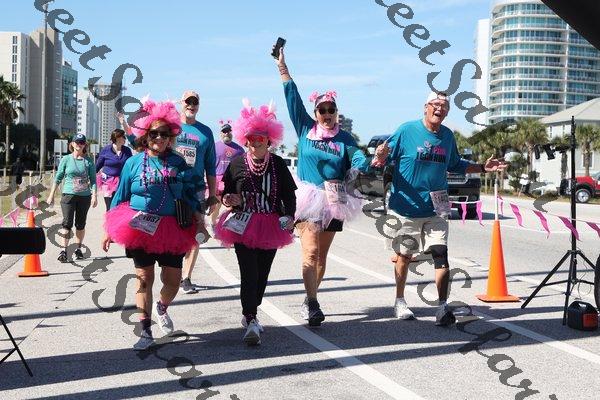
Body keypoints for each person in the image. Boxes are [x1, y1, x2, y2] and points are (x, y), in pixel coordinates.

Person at [372, 91, 508, 326]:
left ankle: (442, 308)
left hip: (436, 208)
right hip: (406, 208)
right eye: (435, 104)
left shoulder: (447, 136)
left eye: (444, 106)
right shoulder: (406, 131)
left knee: (440, 253)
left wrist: (482, 168)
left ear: (447, 112)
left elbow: (456, 164)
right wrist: (380, 154)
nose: (439, 108)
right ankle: (400, 300)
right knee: (404, 256)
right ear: (425, 107)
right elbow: (382, 158)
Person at [275, 46, 370, 327]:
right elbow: (292, 98)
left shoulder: (345, 138)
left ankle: (310, 297)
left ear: (336, 113)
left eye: (331, 110)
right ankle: (314, 303)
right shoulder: (306, 129)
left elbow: (357, 156)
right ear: (316, 113)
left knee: (322, 257)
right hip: (308, 197)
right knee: (311, 252)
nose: (327, 114)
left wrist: (363, 163)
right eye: (322, 110)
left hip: (335, 199)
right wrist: (282, 68)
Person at [101, 98, 202, 350]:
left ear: (170, 137)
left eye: (164, 134)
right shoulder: (133, 162)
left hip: (172, 229)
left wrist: (199, 220)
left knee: (172, 280)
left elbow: (191, 194)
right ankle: (145, 330)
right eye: (154, 133)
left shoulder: (178, 162)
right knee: (144, 278)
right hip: (140, 228)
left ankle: (161, 306)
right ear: (145, 135)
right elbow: (120, 196)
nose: (159, 137)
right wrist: (108, 230)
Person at [214, 100, 296, 345]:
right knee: (248, 272)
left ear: (269, 140)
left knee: (262, 274)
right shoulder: (237, 163)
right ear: (245, 139)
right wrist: (228, 198)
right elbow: (225, 192)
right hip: (244, 224)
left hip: (270, 225)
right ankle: (250, 317)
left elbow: (289, 195)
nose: (255, 142)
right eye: (251, 138)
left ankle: (252, 308)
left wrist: (290, 216)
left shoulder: (278, 164)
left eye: (260, 138)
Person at [177, 90, 217, 295]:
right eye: (188, 101)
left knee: (197, 233)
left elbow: (211, 167)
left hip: (197, 190)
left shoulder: (206, 132)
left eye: (195, 102)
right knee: (174, 231)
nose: (191, 105)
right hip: (173, 188)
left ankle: (186, 277)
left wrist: (213, 195)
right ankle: (173, 272)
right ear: (181, 102)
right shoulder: (171, 127)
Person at [46, 133, 98, 262]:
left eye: (82, 143)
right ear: (72, 144)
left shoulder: (89, 161)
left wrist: (94, 196)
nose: (79, 145)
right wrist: (51, 195)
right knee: (67, 223)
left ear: (85, 145)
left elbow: (93, 180)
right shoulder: (66, 159)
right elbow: (58, 178)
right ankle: (64, 251)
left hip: (84, 197)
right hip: (68, 195)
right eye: (77, 142)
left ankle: (78, 249)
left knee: (80, 224)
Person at [210, 121, 245, 226]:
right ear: (220, 133)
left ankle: (230, 226)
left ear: (231, 132)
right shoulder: (214, 147)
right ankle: (213, 225)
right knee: (216, 205)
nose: (226, 133)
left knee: (232, 205)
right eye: (224, 131)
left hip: (232, 180)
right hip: (217, 180)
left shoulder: (239, 149)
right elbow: (208, 164)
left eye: (228, 131)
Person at [95, 128, 133, 210]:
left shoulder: (127, 150)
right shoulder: (106, 150)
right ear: (117, 138)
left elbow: (131, 166)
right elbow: (98, 165)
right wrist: (91, 177)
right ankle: (109, 218)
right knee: (109, 207)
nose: (125, 139)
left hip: (122, 181)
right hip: (107, 182)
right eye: (123, 137)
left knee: (120, 206)